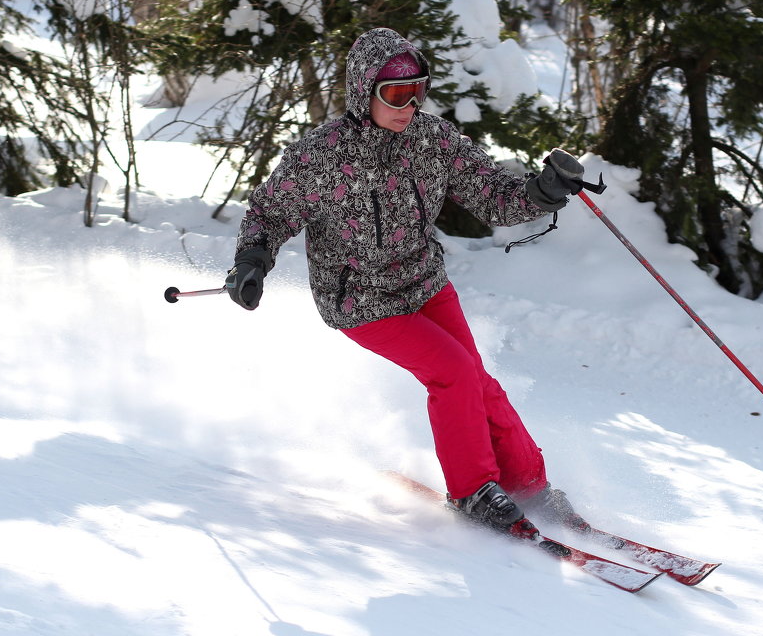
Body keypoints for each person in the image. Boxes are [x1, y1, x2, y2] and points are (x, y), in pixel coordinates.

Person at [225, 27, 585, 535]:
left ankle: (527, 483)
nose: (409, 105)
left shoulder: (432, 140)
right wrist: (252, 260)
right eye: (396, 94)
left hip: (423, 281)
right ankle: (472, 491)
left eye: (418, 90)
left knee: (477, 382)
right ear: (363, 90)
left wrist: (543, 191)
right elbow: (270, 210)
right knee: (454, 372)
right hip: (359, 298)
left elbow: (493, 197)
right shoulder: (324, 154)